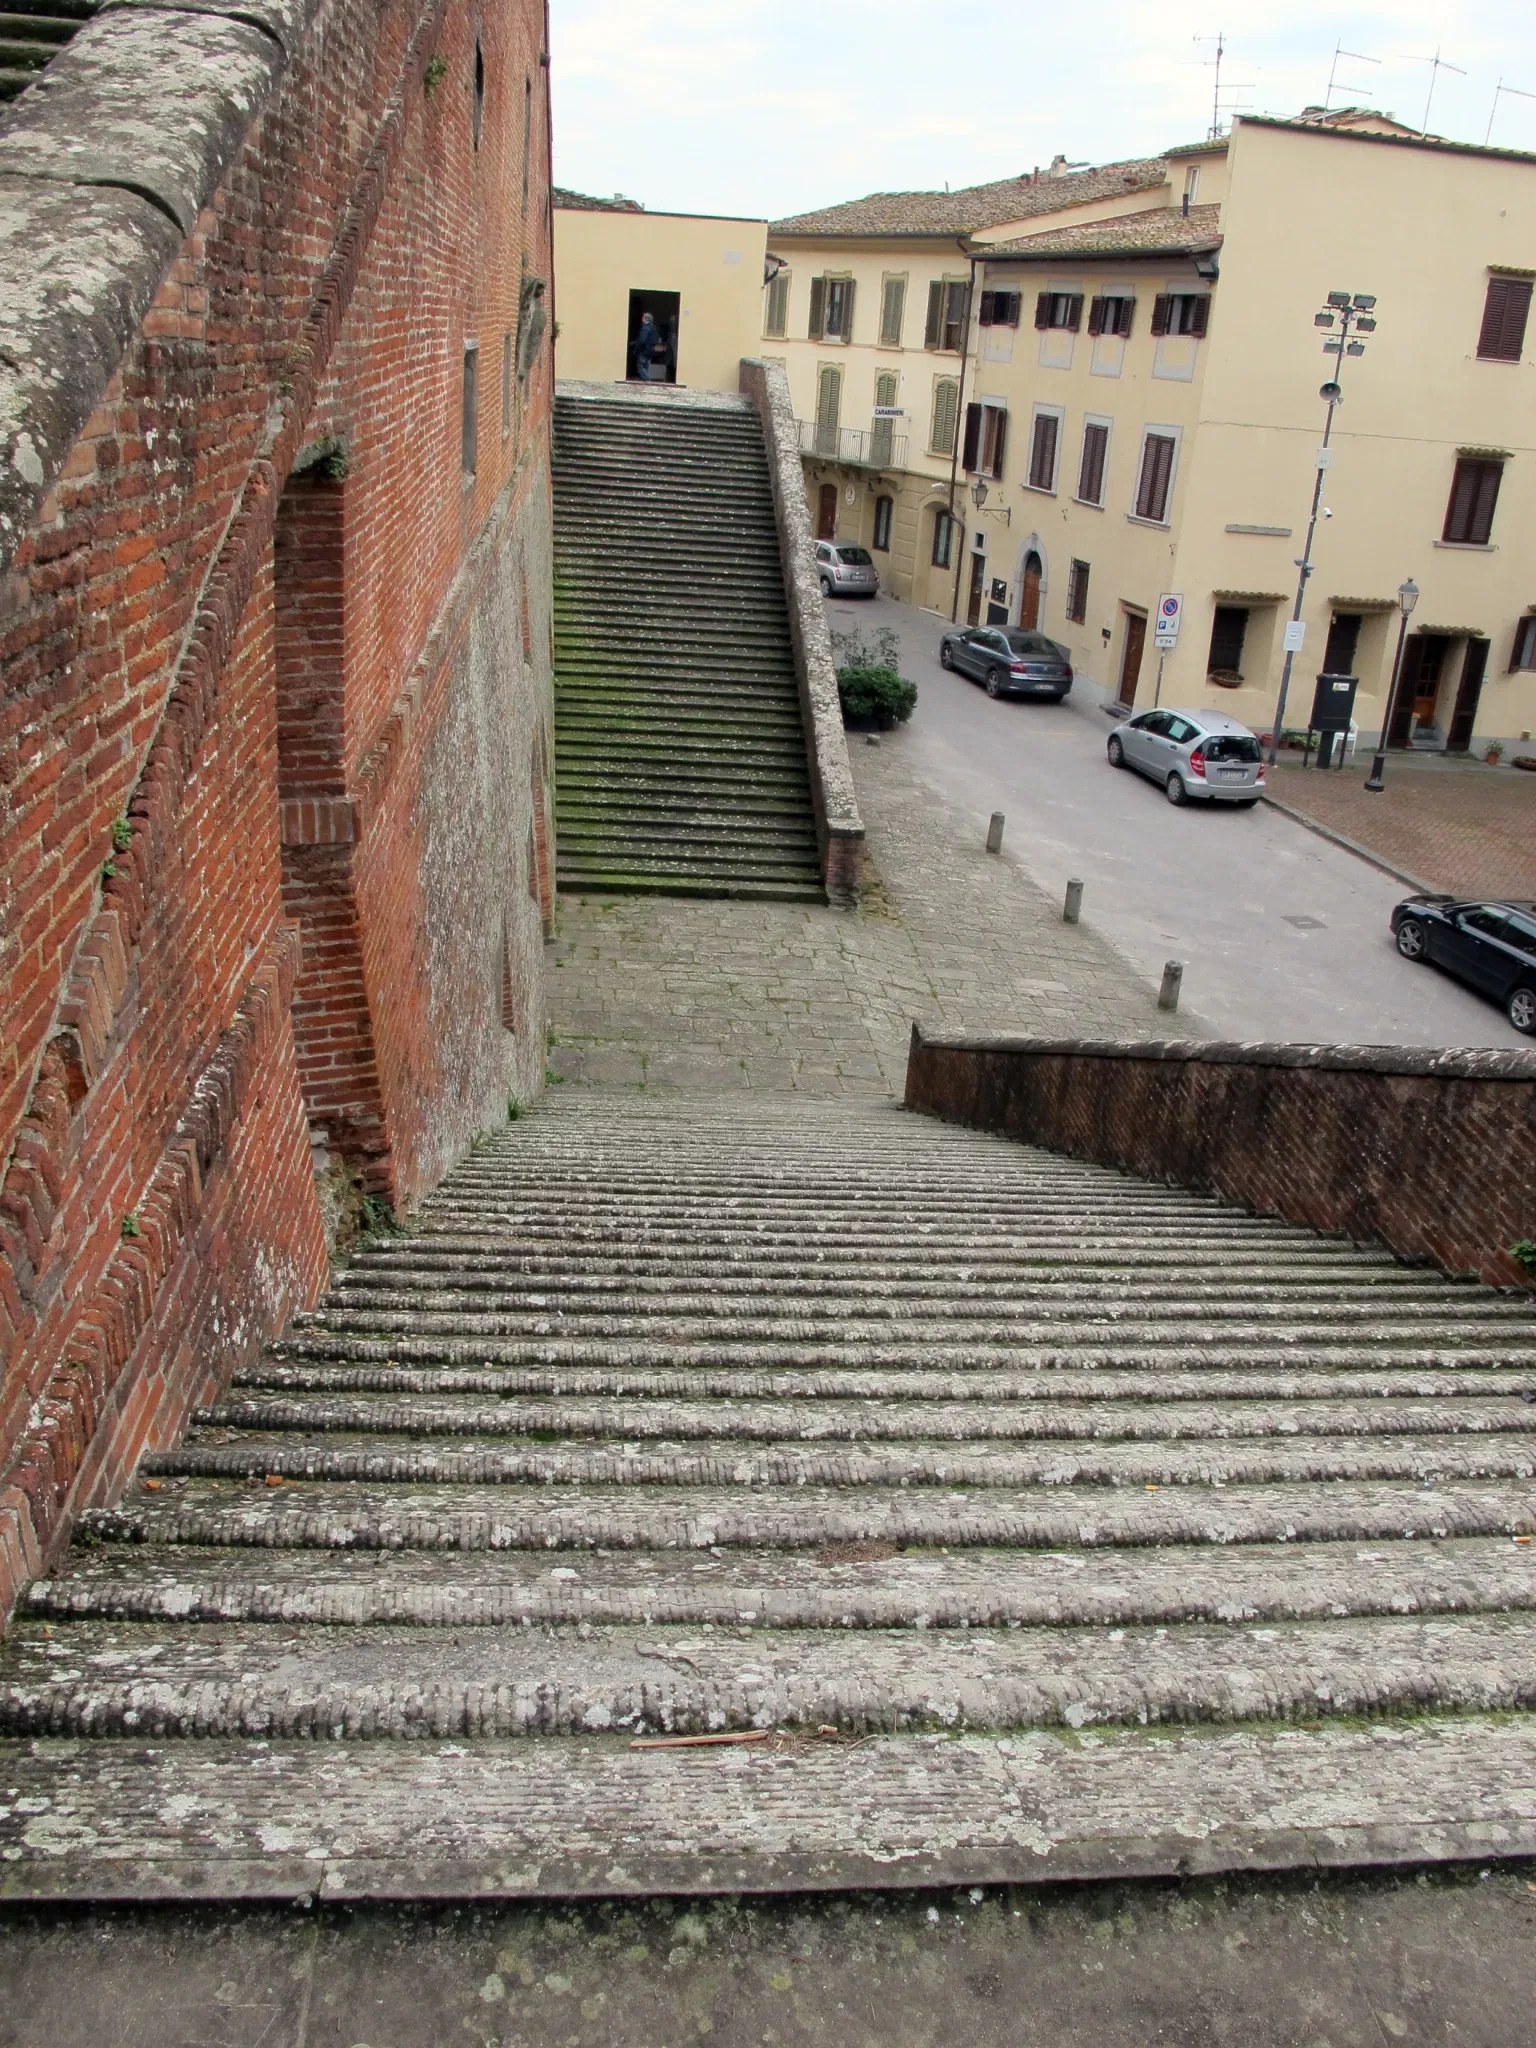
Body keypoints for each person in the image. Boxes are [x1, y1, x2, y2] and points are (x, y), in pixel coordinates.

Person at [633, 309, 659, 380]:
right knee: (646, 366)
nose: (642, 319)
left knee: (640, 366)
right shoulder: (653, 328)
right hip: (651, 350)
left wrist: (637, 348)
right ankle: (645, 381)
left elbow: (642, 340)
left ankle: (647, 380)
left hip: (644, 350)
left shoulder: (645, 328)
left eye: (643, 317)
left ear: (645, 319)